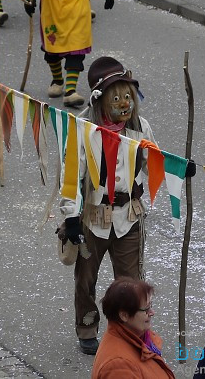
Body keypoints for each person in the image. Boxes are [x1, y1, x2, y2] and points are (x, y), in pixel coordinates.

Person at [59, 57, 160, 354]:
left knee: (131, 283)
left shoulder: (141, 127)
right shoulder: (83, 130)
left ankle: (131, 333)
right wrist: (72, 218)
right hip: (92, 216)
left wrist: (179, 169)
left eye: (128, 96)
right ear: (100, 101)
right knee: (86, 278)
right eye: (116, 98)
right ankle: (87, 327)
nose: (124, 103)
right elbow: (71, 176)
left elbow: (154, 161)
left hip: (128, 216)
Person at [91, 278, 174, 378]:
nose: (152, 313)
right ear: (124, 315)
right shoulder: (119, 367)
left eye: (150, 306)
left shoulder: (138, 338)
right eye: (146, 309)